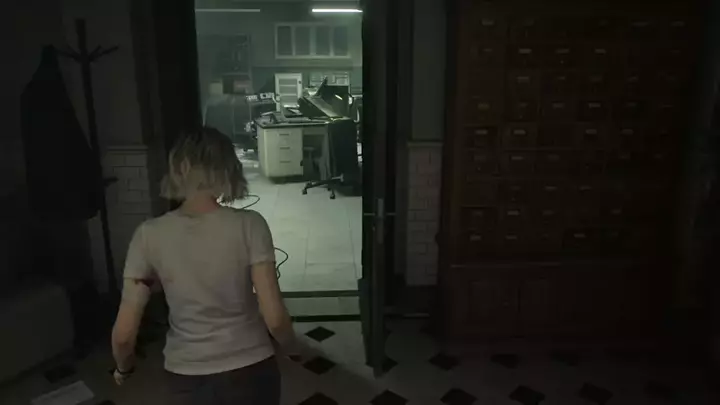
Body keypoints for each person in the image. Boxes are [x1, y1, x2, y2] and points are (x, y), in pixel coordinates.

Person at [110, 127, 295, 404]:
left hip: (186, 375)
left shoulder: (148, 235)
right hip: (250, 367)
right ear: (227, 170)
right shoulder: (251, 225)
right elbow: (276, 319)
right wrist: (293, 350)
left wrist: (124, 368)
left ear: (179, 169)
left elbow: (124, 336)